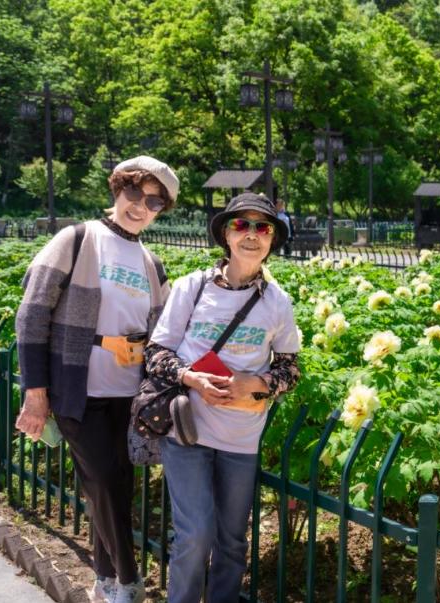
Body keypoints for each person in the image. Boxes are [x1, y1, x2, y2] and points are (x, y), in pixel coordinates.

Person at [14, 156, 179, 603]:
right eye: (134, 193)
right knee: (104, 480)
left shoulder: (151, 263)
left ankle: (104, 580)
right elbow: (32, 315)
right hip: (78, 388)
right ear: (117, 189)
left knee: (115, 488)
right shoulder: (77, 239)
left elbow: (163, 332)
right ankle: (129, 580)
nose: (140, 207)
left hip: (131, 393)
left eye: (154, 202)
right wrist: (35, 393)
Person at [144, 192, 300, 603]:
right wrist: (191, 378)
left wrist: (254, 382)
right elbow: (156, 353)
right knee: (195, 533)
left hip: (241, 438)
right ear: (226, 235)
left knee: (232, 540)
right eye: (241, 225)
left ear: (272, 239)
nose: (252, 235)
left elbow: (290, 370)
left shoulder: (277, 302)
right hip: (187, 432)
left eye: (262, 227)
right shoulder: (192, 288)